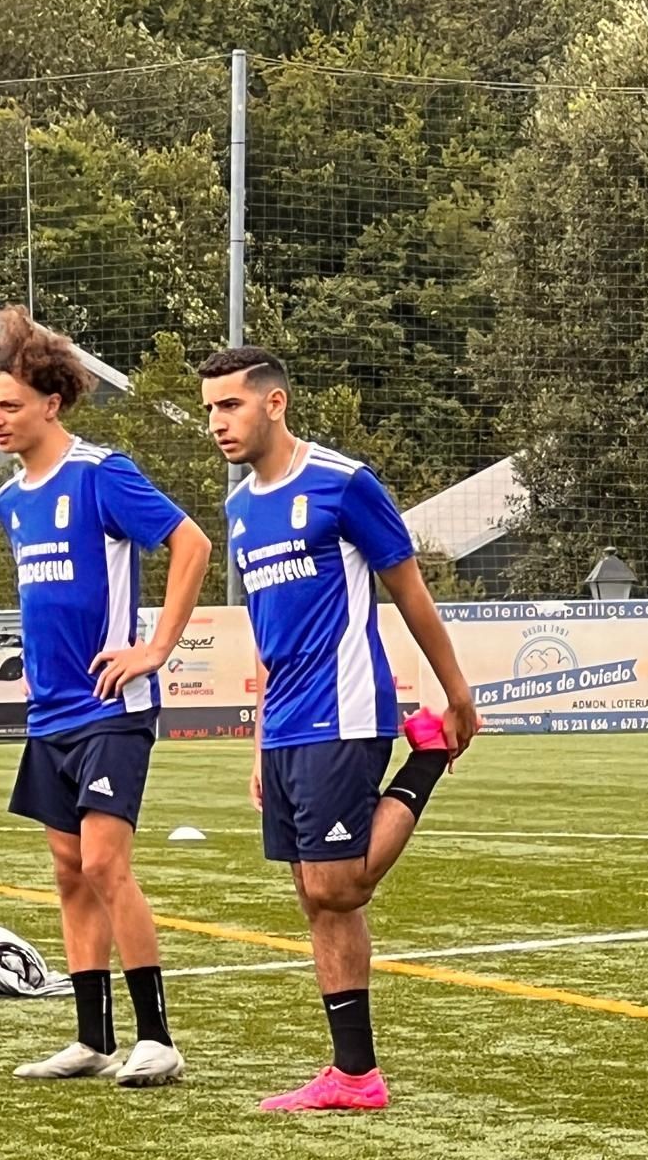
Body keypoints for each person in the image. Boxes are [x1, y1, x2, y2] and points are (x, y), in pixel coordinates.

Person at [200, 344, 479, 1112]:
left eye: (230, 405)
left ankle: (424, 760)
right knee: (316, 898)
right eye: (211, 410)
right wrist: (260, 738)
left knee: (339, 882)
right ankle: (355, 1075)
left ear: (274, 402)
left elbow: (411, 594)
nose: (218, 423)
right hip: (287, 719)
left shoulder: (343, 483)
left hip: (346, 704)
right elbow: (265, 630)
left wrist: (456, 698)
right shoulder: (238, 508)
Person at [0, 305, 211, 1087]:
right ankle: (91, 1038)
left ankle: (158, 1038)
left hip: (113, 709)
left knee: (107, 865)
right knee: (69, 872)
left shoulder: (102, 473)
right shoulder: (11, 502)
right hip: (52, 718)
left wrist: (156, 649)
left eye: (9, 405)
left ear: (52, 403)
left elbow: (191, 542)